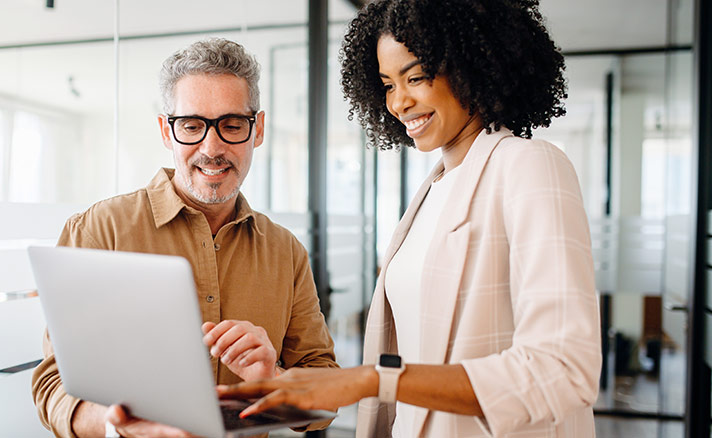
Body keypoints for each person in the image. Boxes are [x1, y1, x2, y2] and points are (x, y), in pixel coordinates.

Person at [218, 1, 602, 437]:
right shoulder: (431, 190)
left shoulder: (529, 166)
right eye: (387, 84)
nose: (399, 102)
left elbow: (564, 370)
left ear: (473, 66)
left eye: (415, 77)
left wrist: (370, 379)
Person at [31, 38, 337, 438]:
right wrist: (122, 427)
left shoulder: (285, 251)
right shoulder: (98, 230)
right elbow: (53, 387)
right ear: (166, 130)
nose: (211, 148)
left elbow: (328, 399)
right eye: (191, 126)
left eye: (231, 125)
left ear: (257, 129)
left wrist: (274, 377)